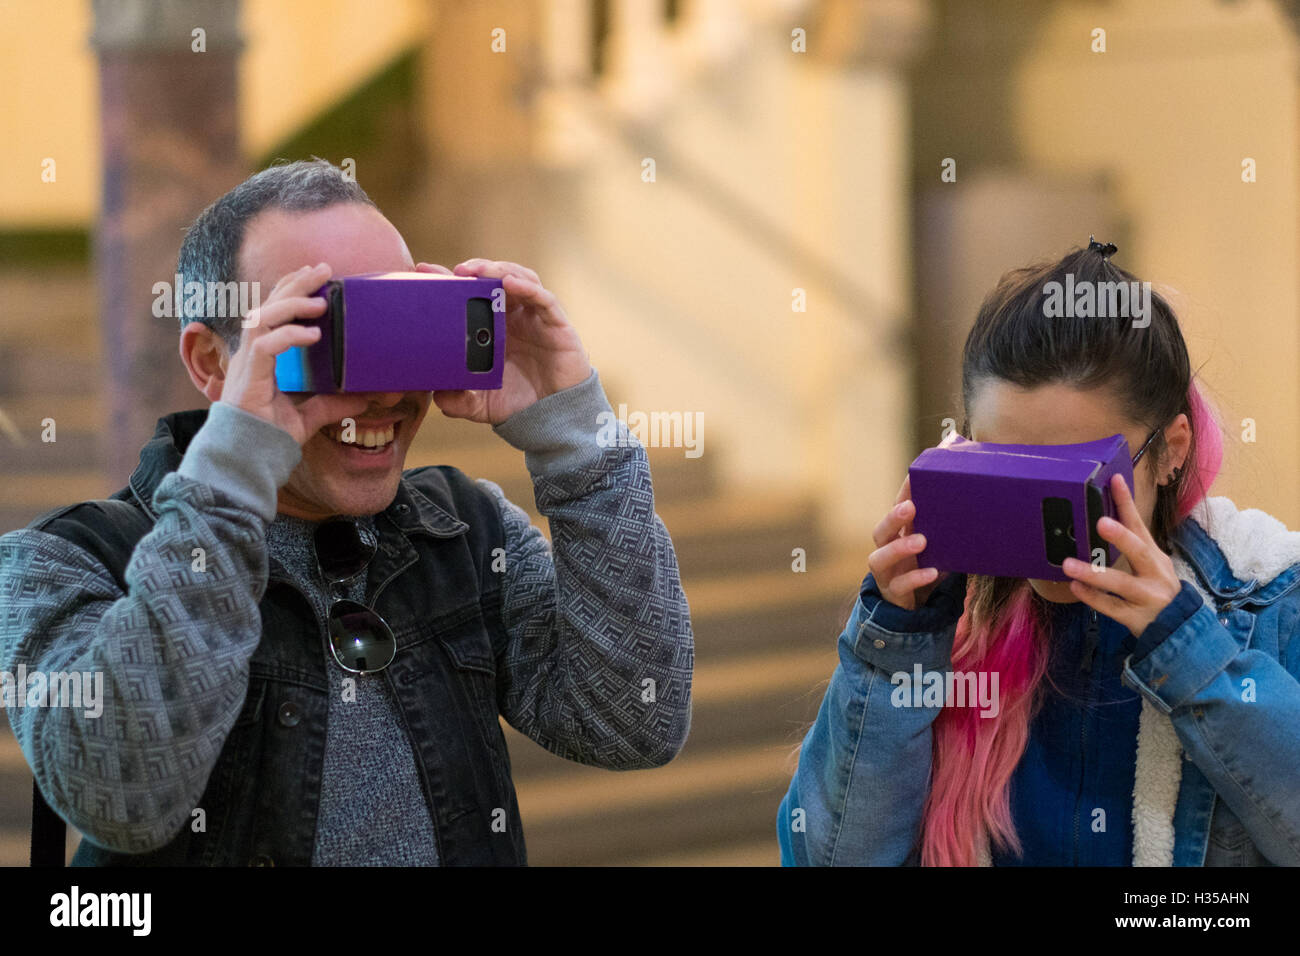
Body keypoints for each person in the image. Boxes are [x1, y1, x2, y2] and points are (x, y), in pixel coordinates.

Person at [0, 159, 694, 866]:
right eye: (320, 332)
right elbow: (124, 794)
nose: (380, 391)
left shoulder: (462, 530)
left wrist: (578, 439)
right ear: (212, 363)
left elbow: (632, 722)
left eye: (396, 327)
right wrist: (235, 470)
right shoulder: (62, 561)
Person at [778, 240, 1300, 866]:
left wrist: (1191, 653)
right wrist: (896, 644)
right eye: (1009, 470)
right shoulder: (950, 615)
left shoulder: (1267, 603)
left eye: (1078, 481)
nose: (1051, 523)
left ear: (1171, 450)